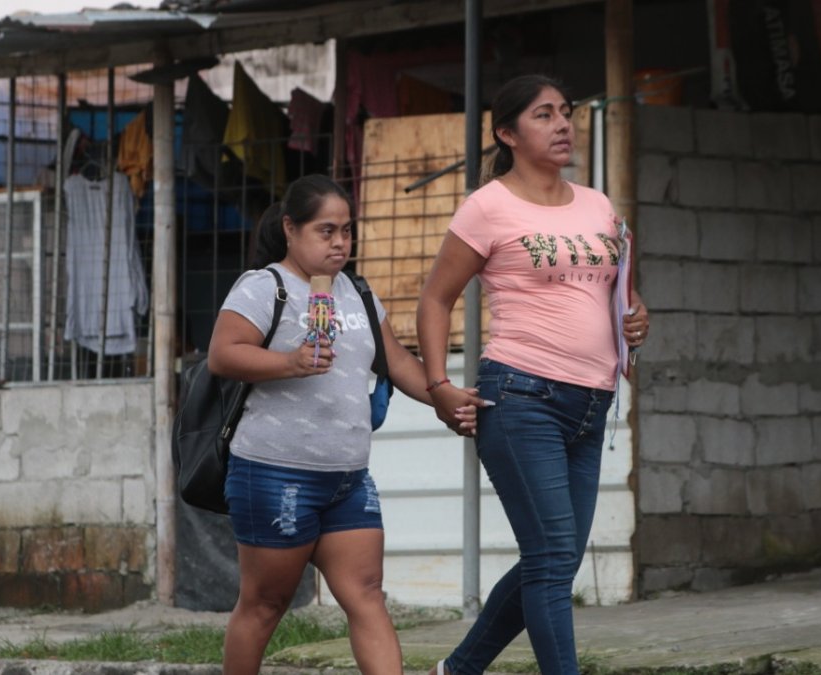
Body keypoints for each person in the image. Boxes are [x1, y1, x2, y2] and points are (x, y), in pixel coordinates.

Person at [416, 74, 650, 675]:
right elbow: (436, 298)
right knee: (550, 557)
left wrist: (636, 317)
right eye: (544, 115)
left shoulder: (598, 205)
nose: (563, 124)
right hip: (522, 396)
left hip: (592, 403)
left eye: (565, 112)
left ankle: (457, 671)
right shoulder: (488, 205)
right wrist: (438, 385)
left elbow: (617, 292)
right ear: (507, 133)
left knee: (556, 560)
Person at [208, 175, 481, 675]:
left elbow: (397, 362)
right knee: (265, 604)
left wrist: (444, 396)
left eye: (347, 231)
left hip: (348, 479)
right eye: (326, 231)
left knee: (366, 594)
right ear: (290, 229)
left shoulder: (356, 291)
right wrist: (290, 362)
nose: (339, 243)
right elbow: (222, 354)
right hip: (274, 473)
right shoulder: (265, 287)